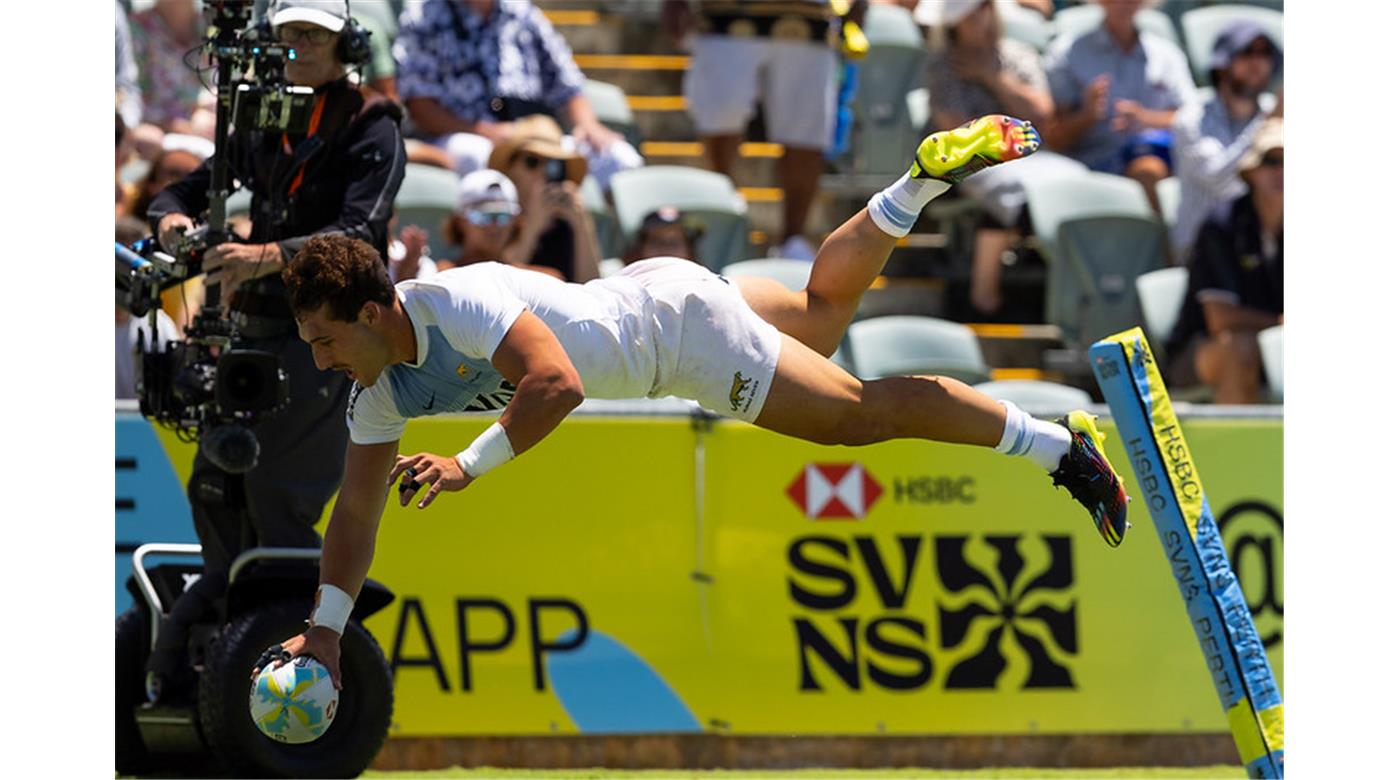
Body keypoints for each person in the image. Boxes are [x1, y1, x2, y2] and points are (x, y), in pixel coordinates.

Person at [263, 115, 1130, 684]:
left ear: (375, 310)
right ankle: (920, 182)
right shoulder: (377, 388)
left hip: (682, 341)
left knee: (859, 416)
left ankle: (1058, 448)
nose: (323, 360)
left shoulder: (456, 298)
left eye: (328, 340)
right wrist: (328, 627)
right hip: (658, 293)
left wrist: (466, 464)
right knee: (824, 319)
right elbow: (356, 517)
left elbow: (554, 382)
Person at [142, 0, 407, 700]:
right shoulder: (257, 121)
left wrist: (263, 256)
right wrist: (172, 219)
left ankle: (289, 647)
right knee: (216, 482)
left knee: (275, 491)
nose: (298, 47)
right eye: (288, 34)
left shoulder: (371, 122)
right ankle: (222, 637)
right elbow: (190, 187)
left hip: (323, 335)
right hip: (250, 333)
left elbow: (362, 234)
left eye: (313, 35)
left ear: (345, 42)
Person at [921, 0, 1084, 317]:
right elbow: (955, 130)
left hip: (1027, 156)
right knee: (1008, 188)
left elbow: (1042, 115)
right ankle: (985, 297)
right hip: (968, 160)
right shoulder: (942, 64)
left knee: (1075, 181)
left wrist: (991, 77)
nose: (979, 17)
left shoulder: (1018, 54)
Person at [392, 0, 641, 187]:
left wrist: (588, 124)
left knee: (620, 158)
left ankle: (607, 249)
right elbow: (420, 105)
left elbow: (567, 82)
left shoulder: (523, 13)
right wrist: (488, 132)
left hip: (532, 133)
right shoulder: (424, 16)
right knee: (476, 155)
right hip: (463, 135)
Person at [663, 0, 838, 262]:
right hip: (723, 13)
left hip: (811, 15)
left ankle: (793, 241)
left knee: (806, 133)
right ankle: (723, 221)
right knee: (719, 116)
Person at [1165, 118, 1282, 405]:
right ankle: (1243, 451)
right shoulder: (1222, 223)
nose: (1282, 171)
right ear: (1251, 170)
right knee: (1241, 348)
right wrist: (1281, 323)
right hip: (1198, 351)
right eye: (1271, 161)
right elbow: (1220, 320)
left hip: (1276, 345)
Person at [1041, 0, 1195, 212]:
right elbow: (1054, 137)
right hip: (1092, 165)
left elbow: (1193, 117)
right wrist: (1087, 115)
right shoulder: (1066, 52)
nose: (1123, 3)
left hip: (1163, 155)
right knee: (1148, 171)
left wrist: (1147, 119)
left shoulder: (1167, 54)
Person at [1169, 21, 1281, 261]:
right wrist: (1269, 124)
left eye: (1265, 53)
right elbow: (1220, 181)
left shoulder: (1274, 112)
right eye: (1247, 52)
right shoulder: (1191, 118)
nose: (1257, 62)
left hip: (1261, 251)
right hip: (1202, 255)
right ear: (1221, 64)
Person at [489, 115, 602, 282]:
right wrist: (533, 227)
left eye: (552, 164)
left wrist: (581, 226)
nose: (543, 172)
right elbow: (500, 283)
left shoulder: (566, 222)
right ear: (510, 169)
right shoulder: (496, 215)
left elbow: (591, 287)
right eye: (532, 161)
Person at [439, 168, 564, 279]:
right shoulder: (440, 275)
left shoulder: (547, 279)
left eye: (503, 215)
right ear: (460, 221)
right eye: (484, 215)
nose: (495, 225)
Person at [622, 207, 704, 266]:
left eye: (673, 244)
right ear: (641, 248)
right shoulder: (617, 278)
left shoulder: (705, 283)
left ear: (689, 250)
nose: (665, 251)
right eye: (657, 242)